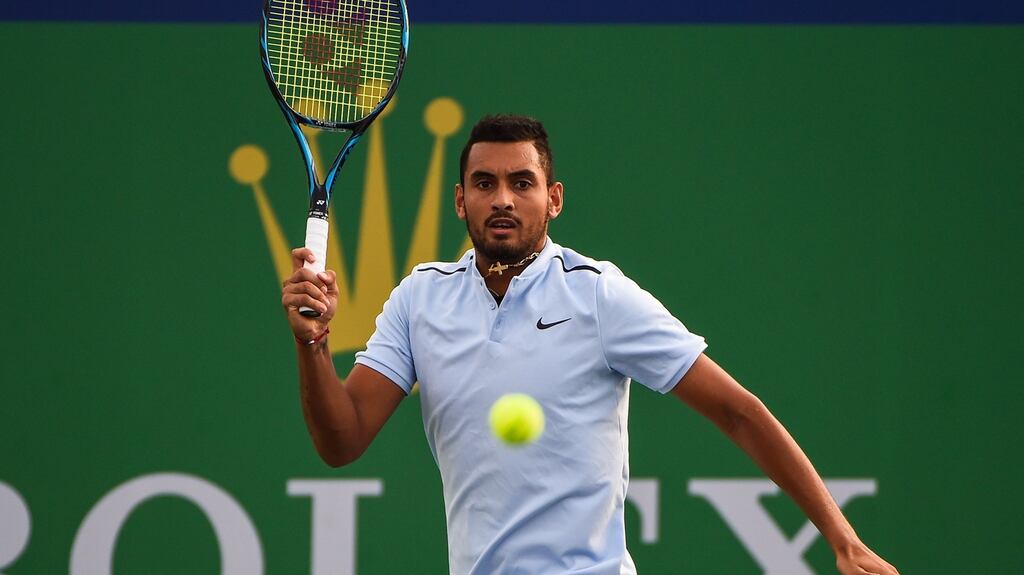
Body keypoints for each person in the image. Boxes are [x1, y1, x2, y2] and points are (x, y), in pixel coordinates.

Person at [281, 115, 900, 575]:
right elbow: (342, 440)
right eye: (485, 183)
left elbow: (739, 412)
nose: (502, 199)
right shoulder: (420, 299)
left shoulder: (598, 294)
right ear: (460, 201)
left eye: (522, 183)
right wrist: (314, 346)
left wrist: (842, 539)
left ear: (553, 199)